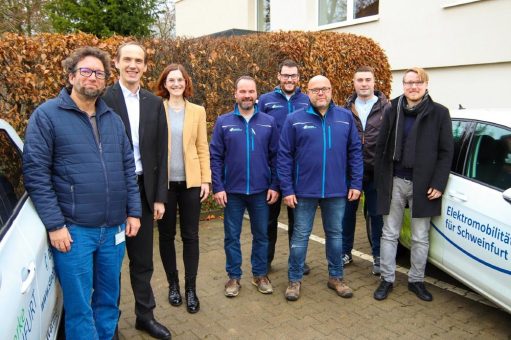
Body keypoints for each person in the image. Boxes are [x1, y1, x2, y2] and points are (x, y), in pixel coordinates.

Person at [22, 46, 141, 340]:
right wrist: (55, 224)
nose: (92, 77)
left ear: (104, 80)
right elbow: (36, 174)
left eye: (99, 73)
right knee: (78, 308)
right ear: (71, 75)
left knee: (108, 301)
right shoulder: (47, 116)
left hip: (113, 230)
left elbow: (128, 168)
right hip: (74, 232)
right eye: (85, 71)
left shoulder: (112, 120)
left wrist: (134, 212)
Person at [103, 42, 171, 339]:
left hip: (143, 193)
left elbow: (160, 154)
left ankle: (145, 316)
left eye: (139, 60)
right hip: (112, 193)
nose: (133, 65)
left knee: (143, 262)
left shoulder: (154, 103)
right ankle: (110, 323)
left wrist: (159, 197)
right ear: (116, 64)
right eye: (127, 59)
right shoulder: (103, 99)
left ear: (145, 66)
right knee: (110, 266)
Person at [278, 75, 363, 301]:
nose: (321, 93)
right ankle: (294, 280)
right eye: (315, 90)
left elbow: (355, 152)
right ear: (308, 92)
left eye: (325, 89)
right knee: (300, 236)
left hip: (336, 191)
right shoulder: (294, 119)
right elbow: (284, 156)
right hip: (303, 191)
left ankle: (336, 277)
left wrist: (355, 182)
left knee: (335, 235)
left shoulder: (345, 117)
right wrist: (287, 189)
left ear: (331, 90)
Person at [373, 67, 453, 302]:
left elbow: (446, 152)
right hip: (394, 180)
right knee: (389, 233)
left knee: (420, 236)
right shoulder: (393, 108)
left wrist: (439, 182)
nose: (413, 87)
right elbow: (381, 147)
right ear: (403, 85)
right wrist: (380, 179)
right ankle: (386, 279)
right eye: (408, 83)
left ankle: (416, 280)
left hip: (424, 184)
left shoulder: (439, 113)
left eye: (418, 82)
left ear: (426, 85)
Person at [210, 76, 279, 298]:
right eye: (243, 91)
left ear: (256, 94)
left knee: (261, 235)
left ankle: (260, 274)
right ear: (236, 94)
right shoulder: (224, 122)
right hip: (232, 192)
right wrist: (218, 187)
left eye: (251, 91)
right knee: (232, 236)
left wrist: (275, 185)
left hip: (261, 191)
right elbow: (215, 157)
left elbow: (276, 156)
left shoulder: (268, 122)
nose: (247, 95)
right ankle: (234, 276)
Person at [154, 64, 211, 314]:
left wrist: (206, 180)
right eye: (171, 80)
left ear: (185, 82)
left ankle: (191, 288)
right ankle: (173, 285)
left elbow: (202, 146)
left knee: (191, 236)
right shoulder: (156, 108)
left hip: (191, 183)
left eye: (179, 80)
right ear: (164, 83)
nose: (175, 84)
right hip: (164, 185)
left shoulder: (197, 111)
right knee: (166, 237)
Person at [258, 59, 310, 274]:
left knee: (297, 222)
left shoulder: (307, 100)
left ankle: (297, 261)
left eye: (293, 76)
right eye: (285, 75)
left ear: (298, 78)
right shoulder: (265, 100)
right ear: (278, 76)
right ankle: (266, 260)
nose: (289, 79)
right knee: (268, 221)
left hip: (298, 170)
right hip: (271, 170)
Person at [341, 66, 390, 275]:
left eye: (367, 79)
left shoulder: (387, 109)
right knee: (346, 215)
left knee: (377, 216)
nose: (364, 84)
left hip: (376, 172)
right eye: (359, 80)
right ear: (354, 83)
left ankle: (378, 257)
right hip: (351, 172)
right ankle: (344, 252)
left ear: (374, 81)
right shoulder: (344, 110)